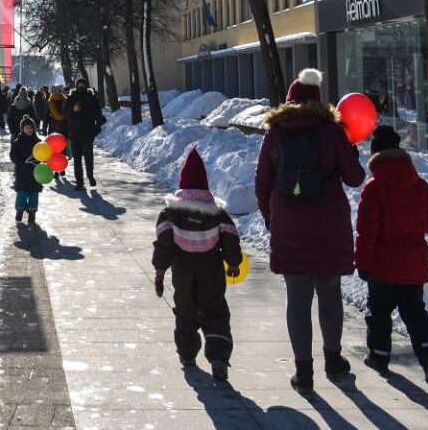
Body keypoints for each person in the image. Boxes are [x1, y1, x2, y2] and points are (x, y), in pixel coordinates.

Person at [255, 68, 366, 392]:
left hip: (290, 226)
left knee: (298, 301)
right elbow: (355, 178)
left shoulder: (275, 132)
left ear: (289, 100)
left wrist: (271, 218)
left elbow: (262, 182)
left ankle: (304, 372)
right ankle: (333, 359)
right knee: (330, 293)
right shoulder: (332, 131)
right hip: (329, 224)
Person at [354, 125, 428, 385]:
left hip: (382, 266)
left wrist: (363, 263)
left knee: (379, 312)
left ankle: (379, 355)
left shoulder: (373, 188)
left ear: (375, 155)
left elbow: (366, 232)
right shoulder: (419, 185)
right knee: (415, 311)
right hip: (413, 265)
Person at [153, 148, 243, 381]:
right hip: (211, 269)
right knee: (215, 311)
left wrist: (160, 273)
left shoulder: (169, 214)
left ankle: (187, 354)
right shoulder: (218, 215)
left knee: (185, 312)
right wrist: (234, 263)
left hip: (182, 271)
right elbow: (231, 239)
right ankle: (219, 356)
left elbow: (163, 246)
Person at [67, 78, 105, 189]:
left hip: (88, 132)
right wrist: (73, 109)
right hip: (75, 132)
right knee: (77, 158)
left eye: (83, 85)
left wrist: (96, 126)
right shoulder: (72, 98)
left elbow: (98, 114)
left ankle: (90, 176)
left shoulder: (92, 98)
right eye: (79, 85)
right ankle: (79, 182)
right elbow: (65, 113)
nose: (81, 87)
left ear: (86, 86)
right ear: (76, 86)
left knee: (89, 156)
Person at [10, 115, 43, 230]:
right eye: (26, 128)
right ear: (22, 129)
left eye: (31, 128)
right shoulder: (17, 142)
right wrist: (19, 162)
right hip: (22, 172)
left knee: (34, 194)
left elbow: (44, 155)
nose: (29, 130)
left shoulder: (39, 143)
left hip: (35, 173)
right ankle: (19, 210)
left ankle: (32, 213)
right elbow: (13, 155)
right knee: (22, 194)